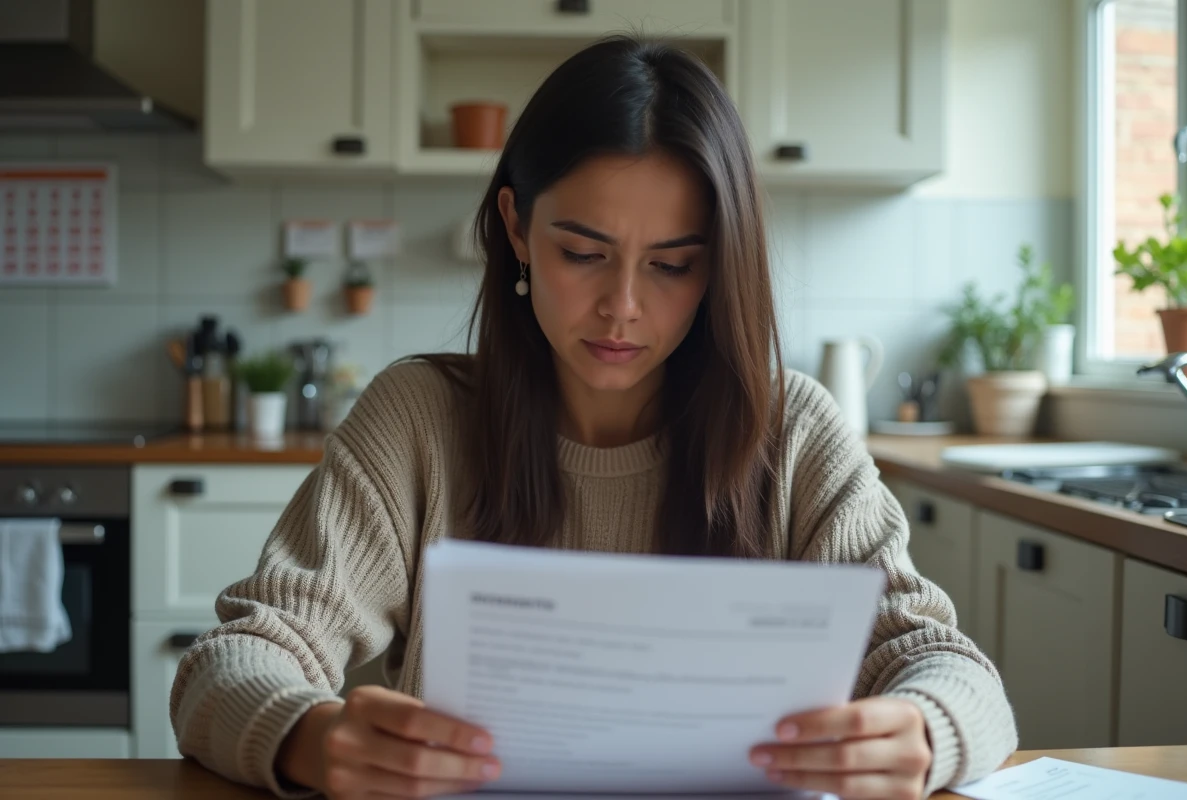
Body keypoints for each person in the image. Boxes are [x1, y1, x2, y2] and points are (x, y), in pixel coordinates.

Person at [171, 35, 1017, 800]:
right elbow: (231, 661)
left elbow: (950, 671)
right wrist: (310, 737)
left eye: (673, 266)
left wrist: (924, 730)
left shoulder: (793, 429)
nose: (623, 308)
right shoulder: (418, 421)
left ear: (720, 265)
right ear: (515, 228)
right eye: (583, 254)